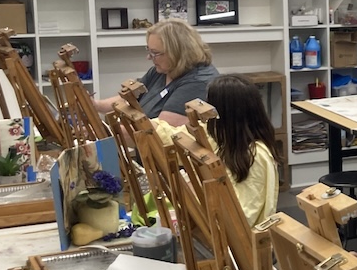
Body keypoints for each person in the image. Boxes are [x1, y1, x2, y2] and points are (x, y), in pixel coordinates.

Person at [95, 19, 218, 126]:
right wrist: (96, 105)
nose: (149, 57)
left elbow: (160, 130)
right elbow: (128, 99)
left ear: (177, 53)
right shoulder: (161, 70)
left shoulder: (199, 82)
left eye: (155, 53)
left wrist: (108, 132)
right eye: (149, 51)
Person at [204, 73, 280, 227]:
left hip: (242, 237)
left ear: (224, 115)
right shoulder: (231, 144)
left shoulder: (255, 156)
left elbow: (243, 217)